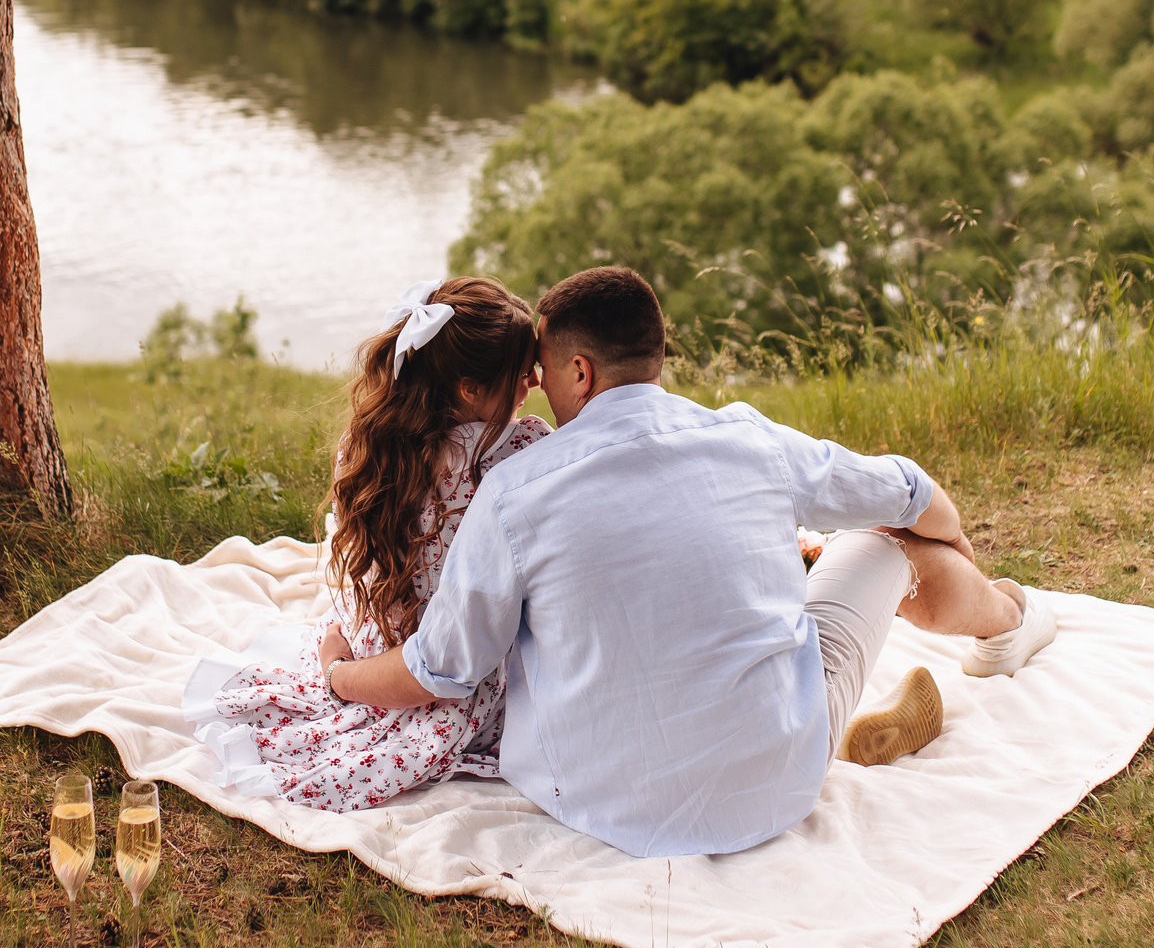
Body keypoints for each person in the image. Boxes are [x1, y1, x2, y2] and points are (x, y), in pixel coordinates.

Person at [320, 265, 1057, 859]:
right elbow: (908, 491)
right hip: (775, 784)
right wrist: (952, 544)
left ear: (580, 371)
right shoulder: (749, 438)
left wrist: (340, 675)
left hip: (591, 800)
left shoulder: (513, 490)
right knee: (890, 541)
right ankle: (1007, 622)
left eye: (541, 368)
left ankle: (875, 705)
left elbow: (442, 667)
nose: (535, 387)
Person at [185, 276, 552, 812]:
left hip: (380, 642)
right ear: (471, 388)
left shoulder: (367, 444)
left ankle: (348, 674)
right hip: (469, 679)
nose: (536, 383)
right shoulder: (521, 450)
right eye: (522, 374)